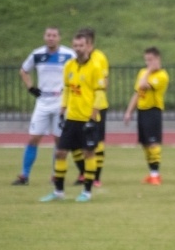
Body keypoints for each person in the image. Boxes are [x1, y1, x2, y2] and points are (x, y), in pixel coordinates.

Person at [40, 31, 106, 202]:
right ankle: (58, 192)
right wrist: (63, 109)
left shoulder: (95, 67)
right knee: (61, 152)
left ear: (88, 46)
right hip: (72, 119)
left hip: (88, 118)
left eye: (81, 45)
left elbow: (100, 93)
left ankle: (87, 192)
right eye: (75, 45)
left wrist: (93, 116)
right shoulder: (69, 65)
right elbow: (68, 89)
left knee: (88, 154)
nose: (78, 49)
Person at [12, 27, 76, 185]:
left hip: (60, 101)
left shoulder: (69, 55)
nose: (51, 38)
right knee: (34, 137)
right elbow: (24, 70)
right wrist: (30, 87)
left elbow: (78, 71)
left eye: (54, 35)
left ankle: (56, 174)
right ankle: (24, 175)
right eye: (48, 35)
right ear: (44, 37)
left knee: (59, 140)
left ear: (59, 37)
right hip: (43, 102)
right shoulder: (37, 54)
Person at [123, 47, 169, 185]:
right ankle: (151, 173)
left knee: (153, 143)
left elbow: (144, 84)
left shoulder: (162, 76)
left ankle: (156, 174)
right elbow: (138, 92)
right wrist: (129, 111)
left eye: (151, 60)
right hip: (142, 111)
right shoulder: (142, 72)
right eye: (146, 60)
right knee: (145, 144)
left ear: (158, 59)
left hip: (153, 111)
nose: (148, 63)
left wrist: (149, 70)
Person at [71, 27, 110, 187]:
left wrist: (96, 100)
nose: (82, 46)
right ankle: (83, 173)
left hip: (97, 106)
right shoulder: (75, 61)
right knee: (75, 143)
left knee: (96, 142)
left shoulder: (99, 58)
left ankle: (96, 177)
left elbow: (104, 82)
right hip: (78, 108)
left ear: (90, 43)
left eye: (85, 43)